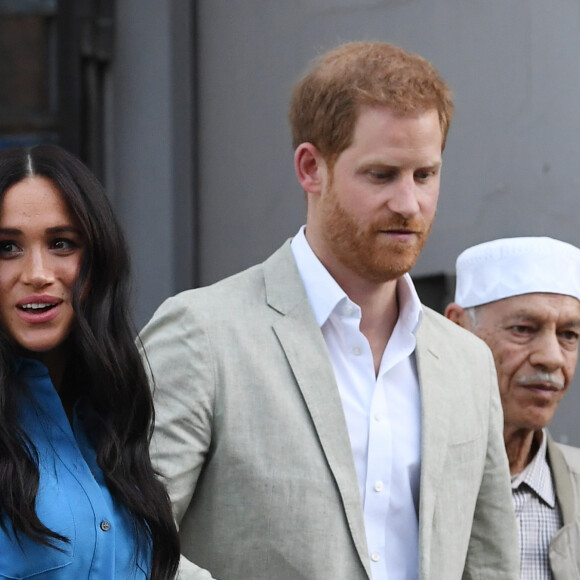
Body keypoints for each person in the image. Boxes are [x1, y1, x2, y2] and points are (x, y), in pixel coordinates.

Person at [140, 41, 519, 580]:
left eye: (425, 175)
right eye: (382, 175)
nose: (409, 204)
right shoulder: (203, 336)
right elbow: (129, 540)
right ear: (310, 167)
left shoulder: (466, 363)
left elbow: (490, 565)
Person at [0, 144, 180, 579]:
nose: (37, 272)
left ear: (97, 263)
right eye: (8, 248)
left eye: (61, 244)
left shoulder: (113, 418)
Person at [445, 236, 580, 579]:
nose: (551, 357)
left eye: (569, 335)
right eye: (523, 329)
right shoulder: (401, 478)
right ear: (458, 328)